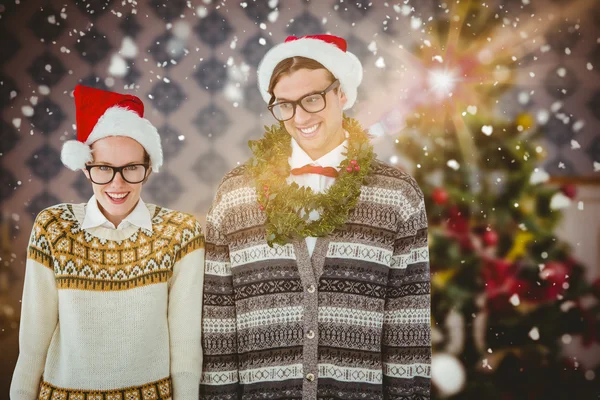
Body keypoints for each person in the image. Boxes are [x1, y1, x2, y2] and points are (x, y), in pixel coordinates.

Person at [200, 34, 431, 399]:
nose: (300, 116)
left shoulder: (397, 194)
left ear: (341, 94)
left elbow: (408, 328)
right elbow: (218, 327)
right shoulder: (236, 193)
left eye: (312, 99)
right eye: (285, 105)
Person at [10, 85, 204, 400]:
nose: (117, 183)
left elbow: (184, 349)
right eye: (104, 168)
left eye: (131, 168)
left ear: (148, 169)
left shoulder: (179, 233)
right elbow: (32, 347)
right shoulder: (53, 227)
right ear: (87, 169)